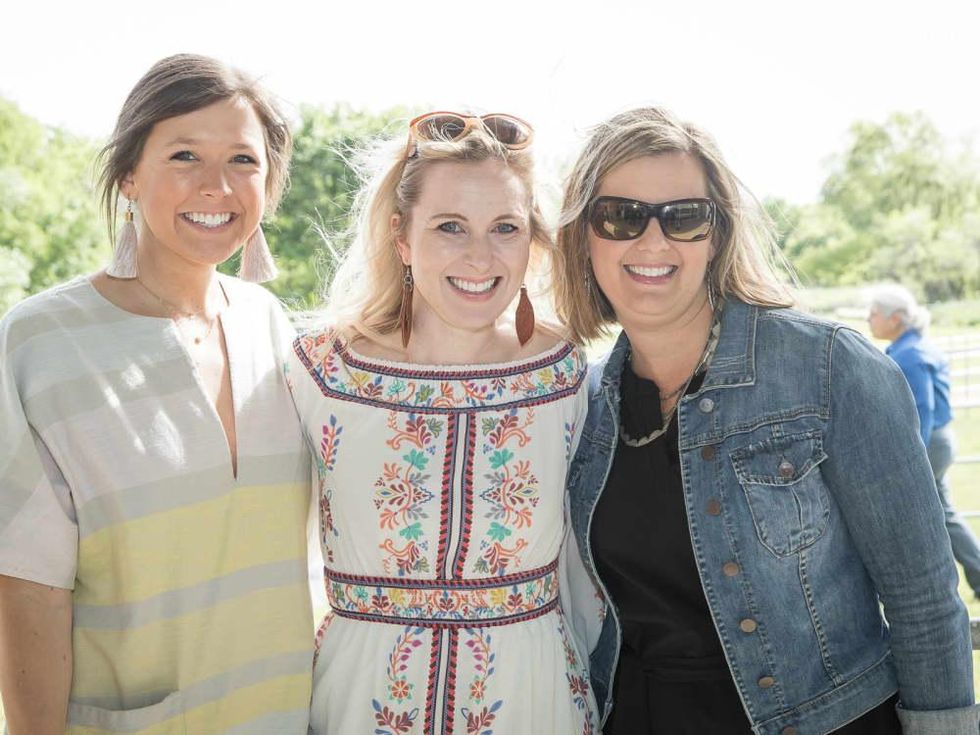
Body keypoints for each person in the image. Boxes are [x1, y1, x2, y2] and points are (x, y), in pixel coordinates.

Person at [554, 107, 978, 734]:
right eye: (620, 216)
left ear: (717, 233)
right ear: (583, 236)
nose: (652, 242)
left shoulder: (829, 366)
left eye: (684, 217)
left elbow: (921, 595)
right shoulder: (582, 404)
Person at [0, 55, 315, 734]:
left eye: (243, 160)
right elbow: (27, 589)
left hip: (283, 716)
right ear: (129, 176)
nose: (216, 185)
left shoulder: (271, 324)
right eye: (183, 155)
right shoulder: (38, 343)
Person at [285, 112, 602, 734]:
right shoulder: (321, 374)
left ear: (532, 241)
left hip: (530, 698)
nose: (479, 256)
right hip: (360, 699)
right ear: (402, 237)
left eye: (504, 228)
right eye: (450, 226)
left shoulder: (565, 377)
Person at [867, 284, 980, 599]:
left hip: (928, 442)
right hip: (939, 440)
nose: (868, 318)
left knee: (903, 513)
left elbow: (922, 408)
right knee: (944, 513)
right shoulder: (912, 347)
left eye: (875, 313)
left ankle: (920, 589)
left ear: (896, 319)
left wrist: (912, 453)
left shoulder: (911, 355)